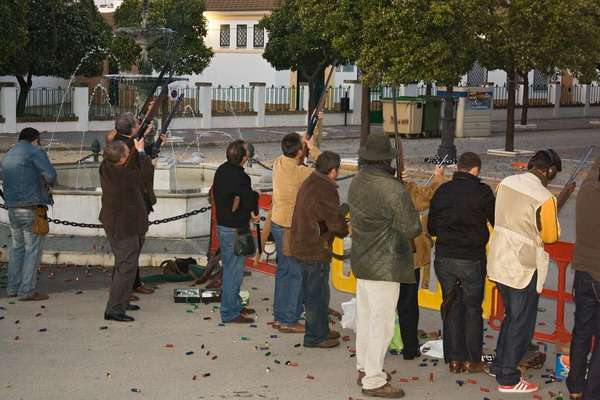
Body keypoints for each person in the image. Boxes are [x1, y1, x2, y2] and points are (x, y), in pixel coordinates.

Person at [348, 133, 421, 399]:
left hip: (363, 259)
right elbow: (412, 228)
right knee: (382, 324)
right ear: (386, 160)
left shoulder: (357, 181)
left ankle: (364, 368)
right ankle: (374, 380)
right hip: (387, 263)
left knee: (366, 319)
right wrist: (402, 194)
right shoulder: (392, 188)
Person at [487, 149, 562, 394]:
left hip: (499, 258)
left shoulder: (506, 183)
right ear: (549, 171)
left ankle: (499, 364)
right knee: (521, 323)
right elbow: (550, 236)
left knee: (511, 317)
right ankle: (508, 378)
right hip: (523, 267)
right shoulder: (545, 197)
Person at [427, 152, 495, 373]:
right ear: (475, 170)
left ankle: (454, 360)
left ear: (458, 167)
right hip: (472, 258)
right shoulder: (483, 192)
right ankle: (472, 359)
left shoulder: (443, 190)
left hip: (445, 257)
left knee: (451, 306)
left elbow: (432, 228)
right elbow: (496, 220)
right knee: (473, 309)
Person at [290, 151, 348, 348]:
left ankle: (319, 329)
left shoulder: (312, 180)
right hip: (314, 247)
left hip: (304, 243)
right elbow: (333, 221)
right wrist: (343, 227)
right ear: (333, 171)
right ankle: (315, 336)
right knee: (317, 294)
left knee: (315, 291)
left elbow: (320, 216)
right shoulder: (325, 188)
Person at [271, 132, 320, 333]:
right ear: (300, 151)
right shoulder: (300, 173)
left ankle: (280, 316)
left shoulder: (278, 162)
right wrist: (314, 150)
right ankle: (289, 320)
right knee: (296, 274)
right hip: (290, 228)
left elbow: (294, 143)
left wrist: (310, 135)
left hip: (277, 223)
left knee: (283, 272)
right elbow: (325, 169)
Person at [396, 165, 447, 360]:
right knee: (408, 303)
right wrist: (438, 177)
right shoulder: (405, 189)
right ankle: (409, 348)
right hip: (408, 256)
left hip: (381, 255)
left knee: (383, 304)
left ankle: (381, 344)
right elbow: (426, 198)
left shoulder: (370, 185)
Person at [1, 127, 56, 301]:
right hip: (31, 206)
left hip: (12, 207)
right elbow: (51, 176)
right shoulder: (34, 152)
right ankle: (27, 291)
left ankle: (13, 288)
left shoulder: (9, 154)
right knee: (32, 250)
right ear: (36, 139)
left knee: (17, 248)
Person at [100, 140, 151, 322]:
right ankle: (114, 309)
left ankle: (120, 301)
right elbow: (146, 174)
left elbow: (128, 166)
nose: (131, 152)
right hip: (124, 225)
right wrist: (142, 152)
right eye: (128, 152)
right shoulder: (124, 176)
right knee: (127, 267)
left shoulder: (106, 166)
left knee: (123, 264)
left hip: (118, 222)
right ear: (122, 159)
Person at [108, 113, 158, 296]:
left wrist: (150, 141)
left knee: (129, 251)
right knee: (131, 250)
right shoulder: (126, 147)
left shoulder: (119, 141)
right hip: (133, 205)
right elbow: (143, 174)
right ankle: (125, 288)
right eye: (137, 124)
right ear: (132, 129)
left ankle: (129, 286)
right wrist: (144, 153)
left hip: (129, 205)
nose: (139, 124)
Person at [212, 140, 259, 324]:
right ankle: (229, 312)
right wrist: (255, 197)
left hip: (225, 225)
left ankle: (235, 303)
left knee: (233, 269)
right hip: (235, 228)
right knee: (234, 271)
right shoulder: (240, 177)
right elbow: (249, 198)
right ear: (244, 158)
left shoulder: (222, 170)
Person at [567, 156, 600, 400]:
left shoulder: (587, 190)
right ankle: (592, 390)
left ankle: (575, 386)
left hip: (584, 273)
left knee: (581, 331)